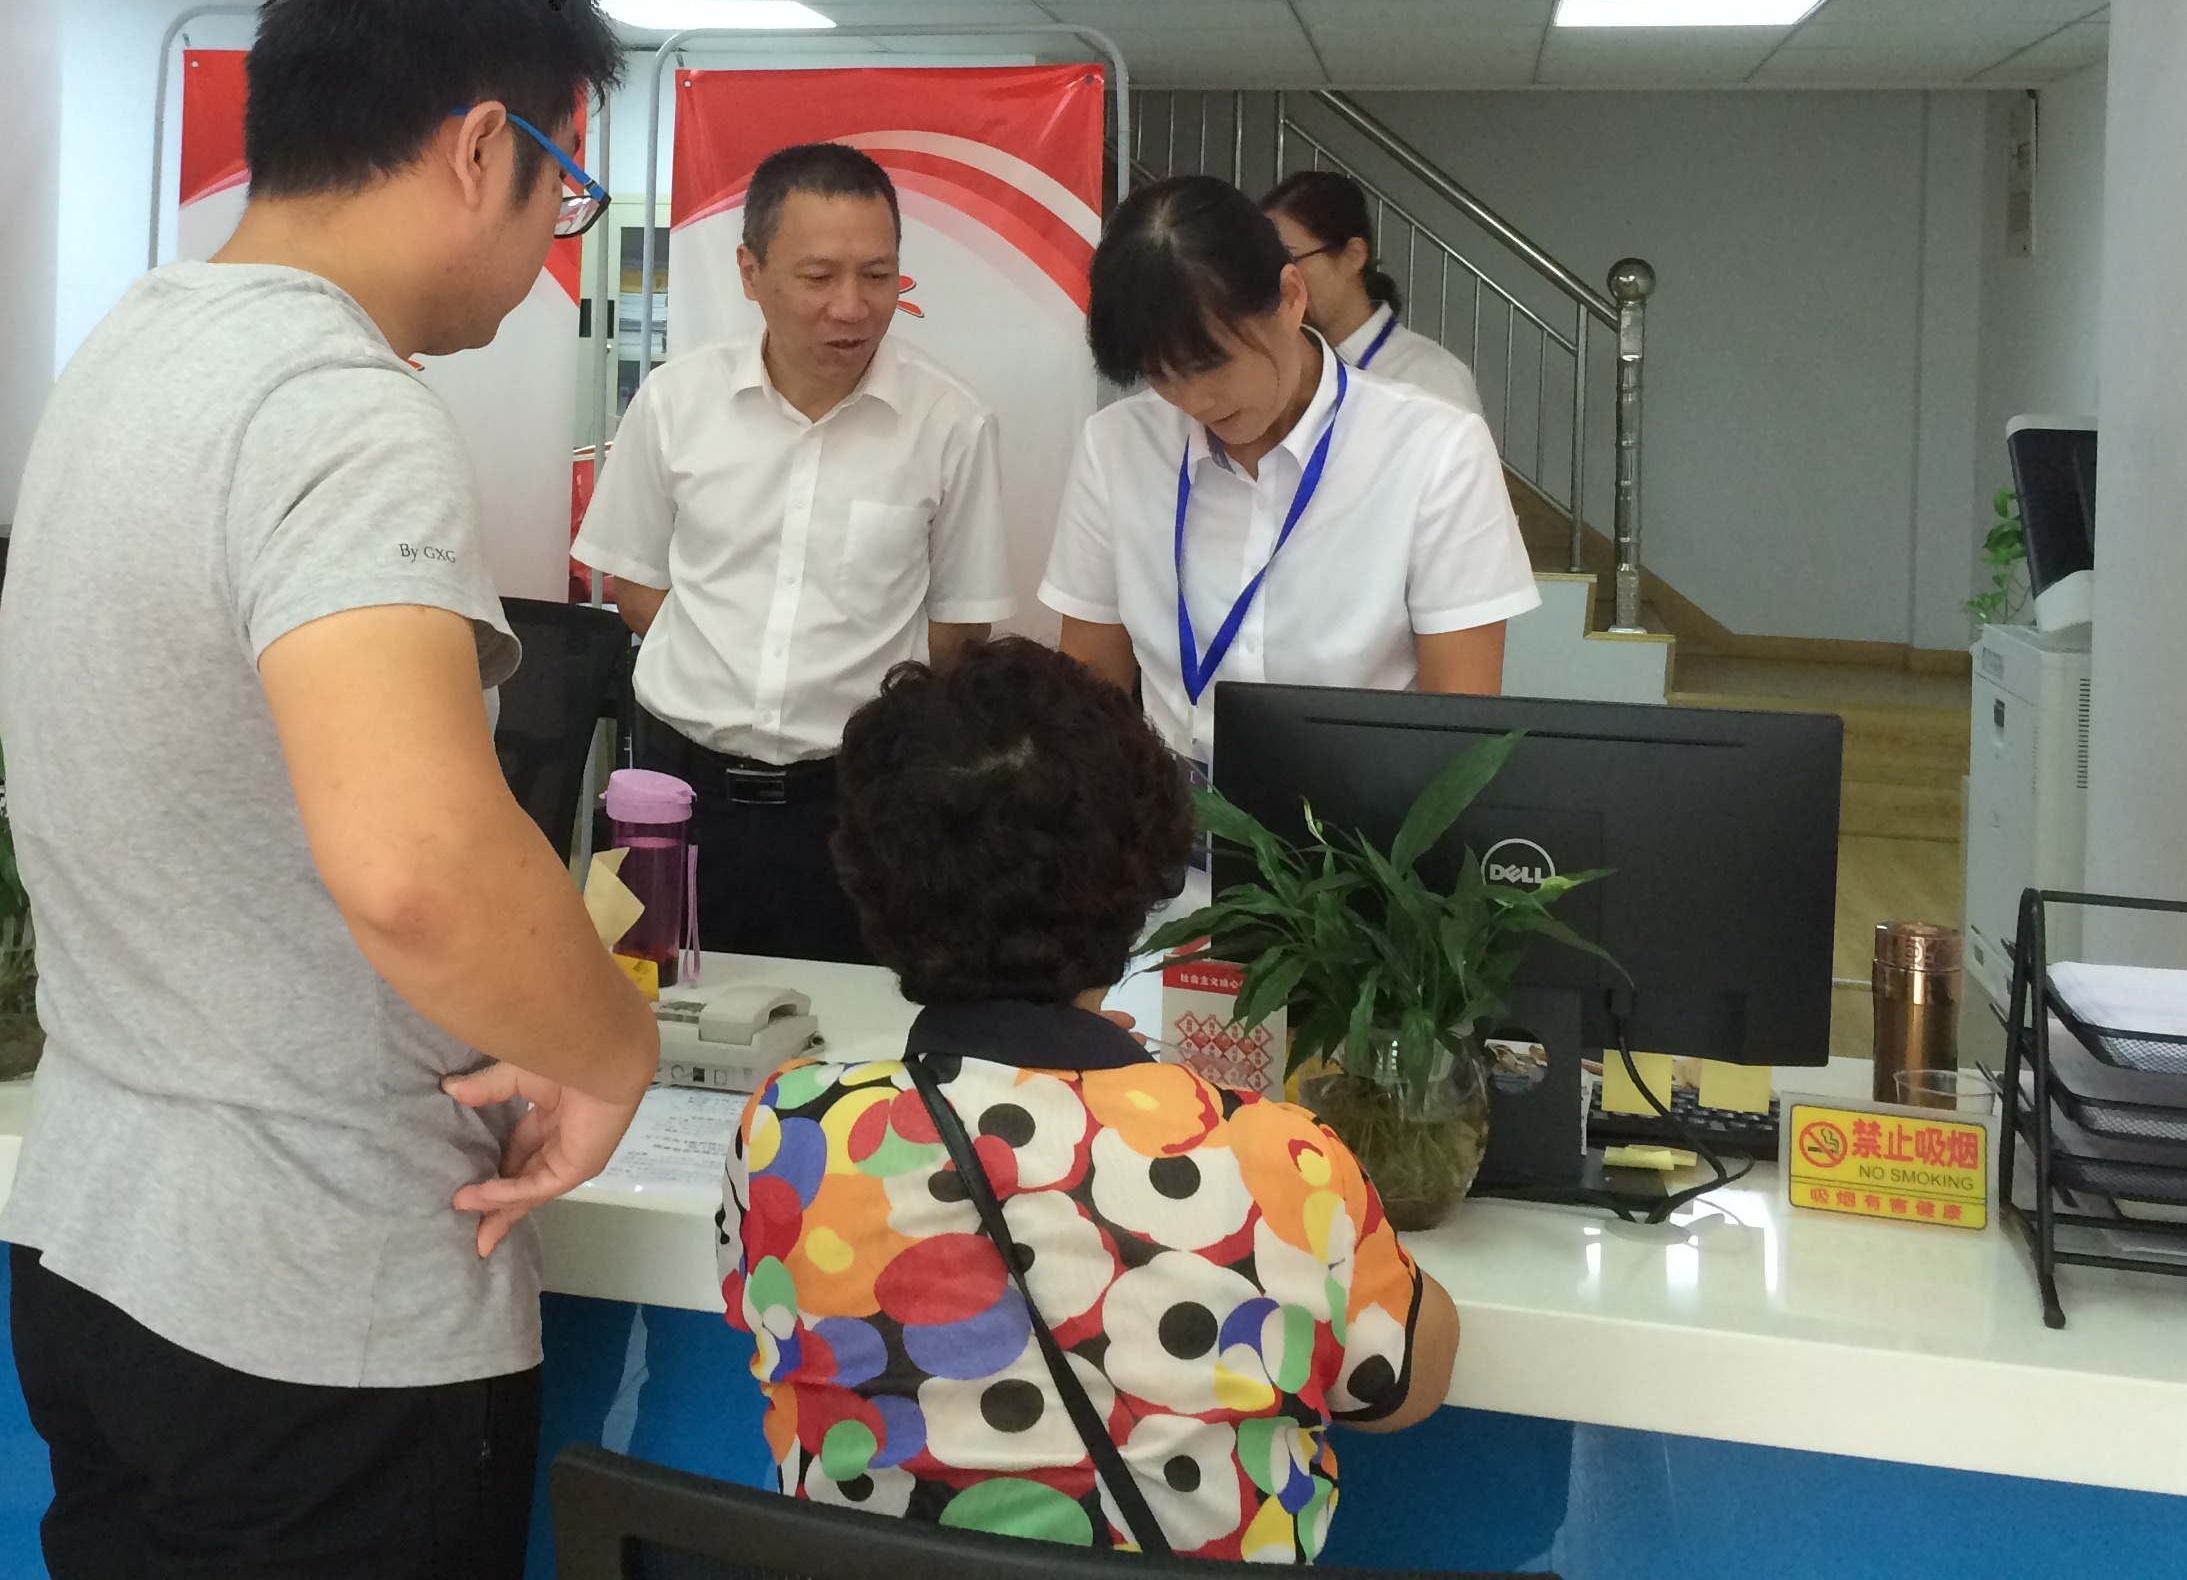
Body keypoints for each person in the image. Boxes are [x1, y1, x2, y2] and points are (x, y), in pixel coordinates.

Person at [0, 0, 661, 1580]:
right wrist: (608, 1050)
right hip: (314, 1308)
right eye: (564, 194)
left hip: (95, 1244)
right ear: (478, 150)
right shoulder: (341, 408)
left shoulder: (127, 346)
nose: (552, 247)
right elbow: (416, 867)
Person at [720, 637, 1458, 1559]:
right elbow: (1402, 1387)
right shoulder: (1281, 1160)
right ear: (1143, 872)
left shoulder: (791, 1134)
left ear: (869, 879)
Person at [574, 141, 1012, 964]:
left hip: (857, 810)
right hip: (670, 793)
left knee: (857, 1027)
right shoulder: (675, 402)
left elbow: (957, 630)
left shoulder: (951, 425)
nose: (851, 306)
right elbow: (635, 585)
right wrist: (721, 672)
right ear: (750, 272)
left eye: (877, 275)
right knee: (636, 1002)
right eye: (818, 277)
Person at [1044, 176, 1537, 764]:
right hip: (1168, 813)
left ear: (1290, 296)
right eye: (1161, 375)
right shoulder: (1117, 446)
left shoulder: (1435, 450)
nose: (1194, 401)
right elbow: (1090, 688)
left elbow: (1459, 729)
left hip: (1361, 816)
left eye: (1211, 363)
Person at [1259, 169, 1485, 418]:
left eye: (1290, 260)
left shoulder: (1430, 378)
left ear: (1353, 256)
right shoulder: (1282, 375)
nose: (1279, 281)